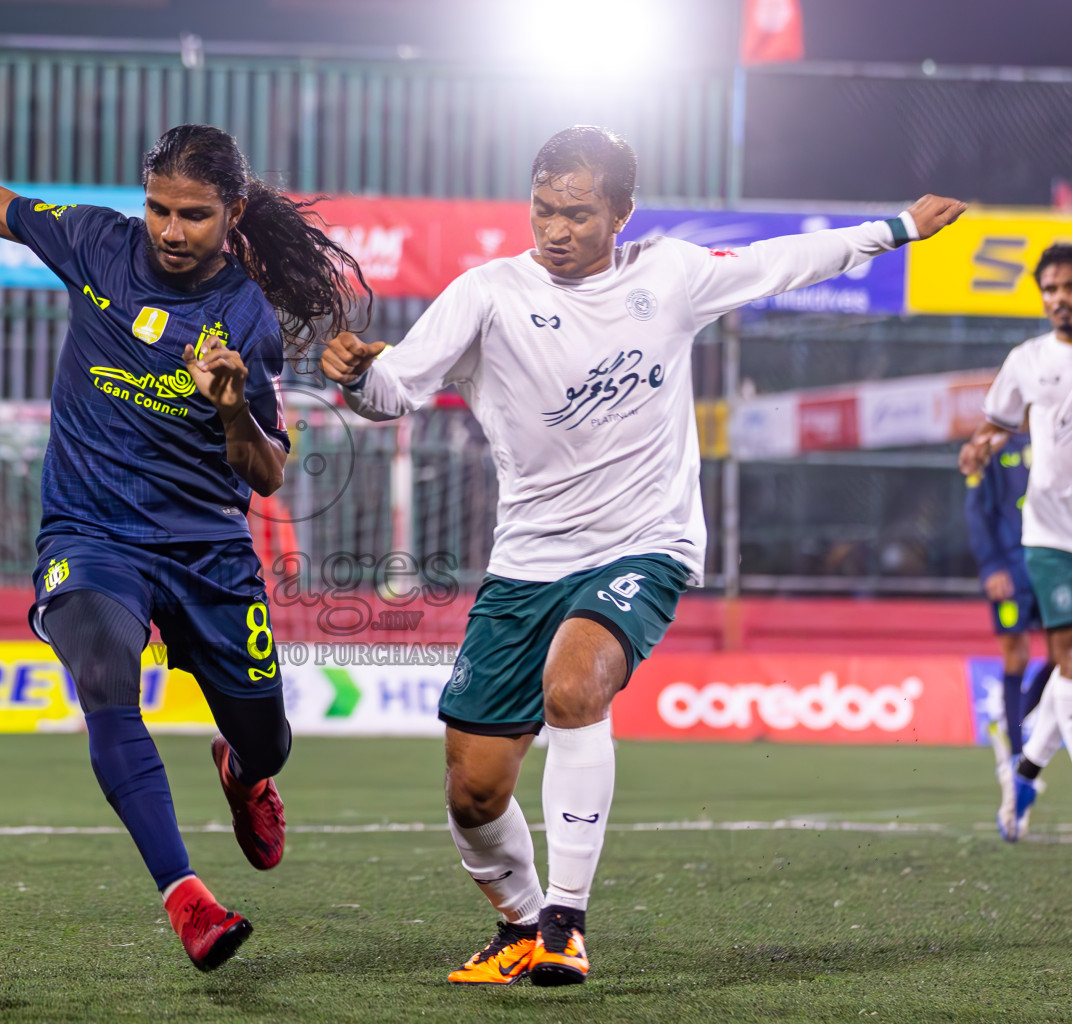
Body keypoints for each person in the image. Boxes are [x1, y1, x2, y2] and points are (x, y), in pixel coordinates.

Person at [322, 125, 965, 987]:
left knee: (575, 683)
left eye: (578, 213)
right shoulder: (487, 292)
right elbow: (393, 390)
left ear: (621, 213)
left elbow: (783, 260)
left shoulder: (669, 275)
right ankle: (518, 923)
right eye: (543, 209)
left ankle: (564, 923)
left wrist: (894, 229)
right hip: (526, 561)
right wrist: (359, 377)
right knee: (474, 792)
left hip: (644, 542)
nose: (555, 229)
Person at [0, 39, 367, 971]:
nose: (170, 228)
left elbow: (268, 473)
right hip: (93, 534)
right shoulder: (95, 243)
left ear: (232, 215)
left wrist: (234, 405)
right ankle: (186, 897)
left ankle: (242, 773)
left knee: (267, 738)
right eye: (158, 206)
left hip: (205, 550)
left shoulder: (244, 318)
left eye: (194, 215)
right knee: (107, 680)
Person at [960, 243, 1072, 842]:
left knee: (1064, 663)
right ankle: (1020, 749)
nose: (1059, 299)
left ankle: (1026, 768)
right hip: (1049, 540)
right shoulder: (1028, 359)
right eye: (1050, 290)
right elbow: (995, 427)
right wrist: (980, 447)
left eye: (1067, 287)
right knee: (1060, 656)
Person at [963, 430, 1055, 800]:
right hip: (1011, 566)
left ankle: (1009, 724)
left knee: (1063, 653)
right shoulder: (993, 444)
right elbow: (976, 507)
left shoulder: (1057, 438)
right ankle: (1015, 755)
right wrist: (991, 565)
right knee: (1016, 653)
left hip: (1051, 562)